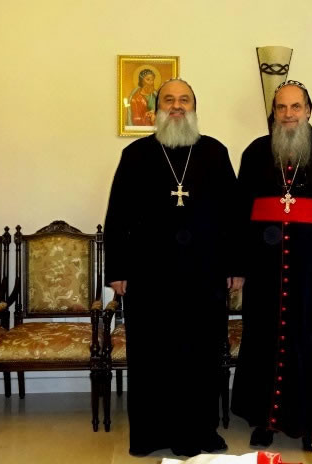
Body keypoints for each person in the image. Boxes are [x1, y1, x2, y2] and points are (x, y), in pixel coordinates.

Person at [104, 78, 245, 457]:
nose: (177, 106)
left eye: (185, 100)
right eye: (169, 99)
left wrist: (236, 265)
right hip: (149, 276)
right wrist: (116, 270)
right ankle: (151, 434)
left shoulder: (214, 152)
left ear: (194, 108)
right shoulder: (136, 154)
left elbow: (233, 215)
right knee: (152, 357)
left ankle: (200, 434)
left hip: (205, 275)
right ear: (157, 109)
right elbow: (117, 216)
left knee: (202, 357)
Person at [231, 80, 312, 451]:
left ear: (309, 110)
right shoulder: (256, 151)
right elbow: (240, 214)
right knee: (263, 341)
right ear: (274, 113)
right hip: (264, 266)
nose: (288, 114)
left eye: (295, 107)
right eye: (281, 107)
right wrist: (238, 264)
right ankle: (263, 420)